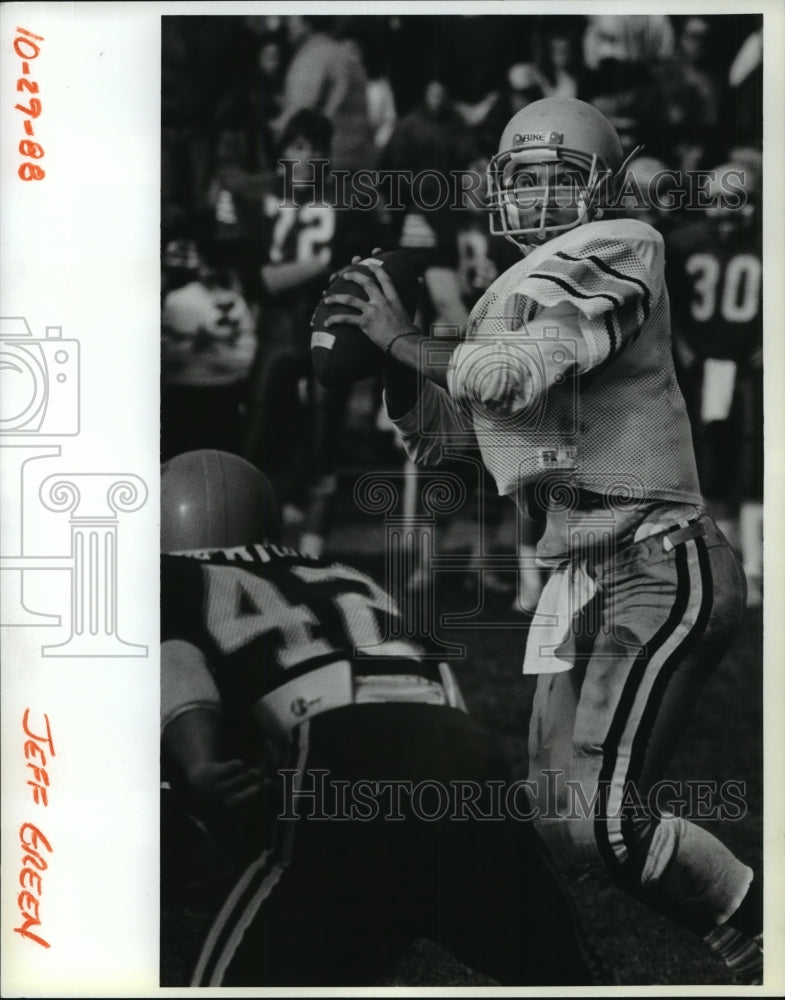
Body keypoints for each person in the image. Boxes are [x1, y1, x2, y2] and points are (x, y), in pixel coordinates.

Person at [320, 98, 762, 984]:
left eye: (562, 180)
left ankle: (761, 932)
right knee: (561, 826)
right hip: (578, 574)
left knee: (602, 817)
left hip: (654, 556)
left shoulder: (626, 244)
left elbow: (511, 377)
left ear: (601, 187)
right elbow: (452, 437)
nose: (540, 200)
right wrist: (392, 369)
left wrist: (402, 338)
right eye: (524, 180)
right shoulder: (502, 294)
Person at [160, 449, 596, 987]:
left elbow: (176, 662)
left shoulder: (175, 576)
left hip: (342, 757)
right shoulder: (343, 573)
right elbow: (436, 675)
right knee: (567, 979)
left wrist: (198, 766)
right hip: (462, 753)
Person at [666, 159, 763, 606]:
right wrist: (681, 344)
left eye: (736, 200)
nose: (725, 212)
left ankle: (756, 566)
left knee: (752, 460)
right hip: (699, 366)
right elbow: (666, 305)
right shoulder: (684, 244)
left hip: (749, 368)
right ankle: (709, 561)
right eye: (717, 201)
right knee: (701, 460)